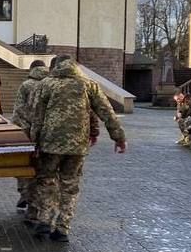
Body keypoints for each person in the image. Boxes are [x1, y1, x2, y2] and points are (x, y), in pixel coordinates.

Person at [29, 55, 127, 242]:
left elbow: (37, 116)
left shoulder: (46, 84)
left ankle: (44, 221)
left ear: (56, 66)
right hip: (77, 145)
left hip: (50, 143)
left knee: (47, 180)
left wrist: (34, 142)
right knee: (70, 185)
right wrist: (119, 138)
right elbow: (106, 111)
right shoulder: (88, 84)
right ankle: (62, 228)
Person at [10, 60, 48, 217]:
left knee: (23, 164)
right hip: (46, 132)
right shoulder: (50, 84)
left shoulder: (26, 85)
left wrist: (24, 124)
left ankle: (25, 193)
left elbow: (19, 108)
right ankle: (38, 202)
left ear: (32, 69)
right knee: (42, 167)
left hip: (25, 131)